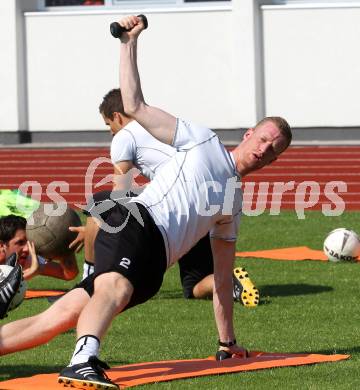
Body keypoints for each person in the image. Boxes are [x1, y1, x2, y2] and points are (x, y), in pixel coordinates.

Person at [56, 15, 292, 389]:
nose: (264, 150)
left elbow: (222, 278)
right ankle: (82, 359)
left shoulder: (232, 202)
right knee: (113, 289)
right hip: (140, 223)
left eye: (273, 150)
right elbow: (133, 104)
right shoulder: (201, 139)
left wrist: (226, 342)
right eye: (264, 139)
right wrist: (129, 43)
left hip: (162, 247)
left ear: (274, 161)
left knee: (59, 315)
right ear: (249, 133)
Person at [78, 88, 258, 305]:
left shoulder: (124, 135)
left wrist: (96, 230)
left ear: (117, 116)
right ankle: (230, 283)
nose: (111, 132)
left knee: (98, 203)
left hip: (175, 208)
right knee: (194, 284)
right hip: (211, 205)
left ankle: (89, 279)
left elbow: (120, 193)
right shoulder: (160, 127)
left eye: (109, 125)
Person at [0, 215, 79, 281]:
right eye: (20, 243)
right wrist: (32, 271)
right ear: (1, 245)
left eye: (29, 241)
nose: (27, 249)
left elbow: (68, 274)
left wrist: (64, 245)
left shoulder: (27, 258)